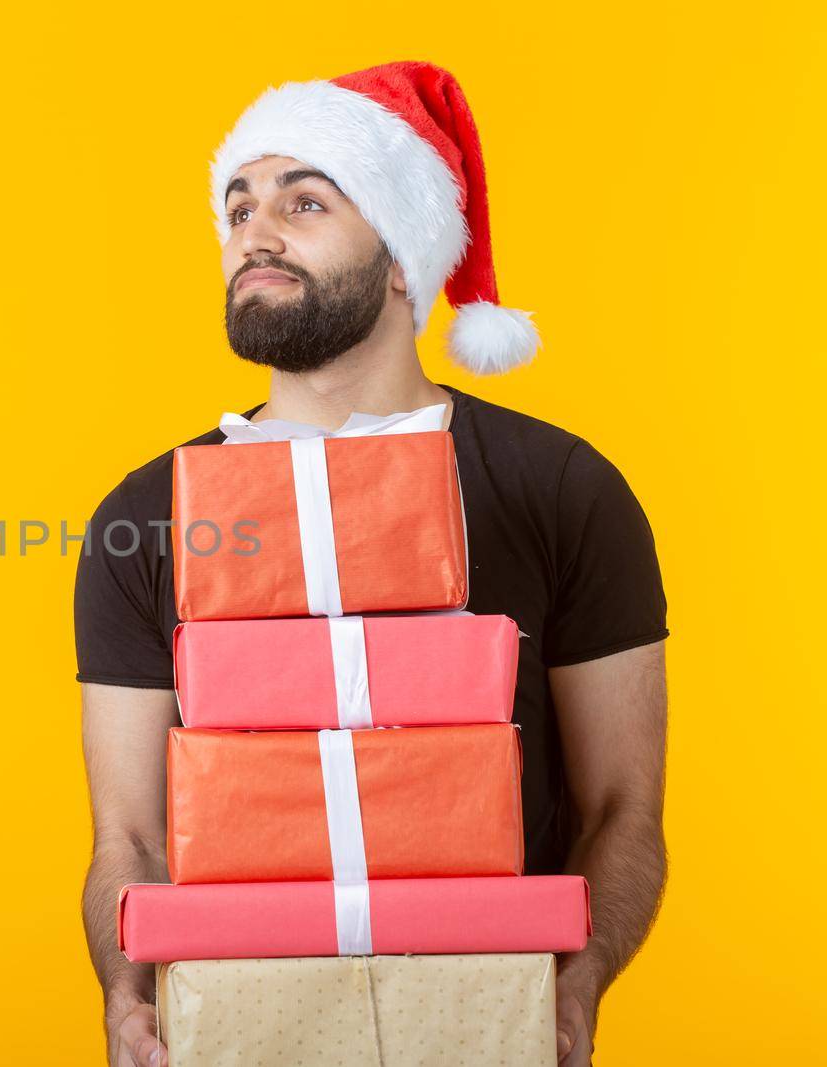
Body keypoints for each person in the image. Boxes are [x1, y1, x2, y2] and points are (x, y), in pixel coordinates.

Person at [74, 61, 669, 1067]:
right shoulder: (147, 515)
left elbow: (624, 808)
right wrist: (128, 998)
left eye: (305, 200)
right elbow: (129, 838)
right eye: (237, 205)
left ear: (403, 257)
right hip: (236, 1019)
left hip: (483, 1014)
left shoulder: (559, 488)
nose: (253, 231)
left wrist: (574, 985)